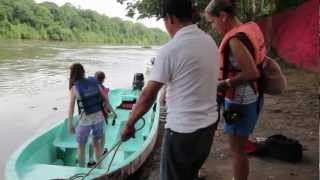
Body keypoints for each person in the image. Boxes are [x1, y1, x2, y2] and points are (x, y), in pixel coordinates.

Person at [121, 0, 219, 179]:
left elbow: (147, 96)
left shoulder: (171, 49)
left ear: (170, 18)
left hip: (183, 132)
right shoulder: (209, 41)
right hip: (208, 128)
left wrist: (129, 124)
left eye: (164, 21)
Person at [205, 0, 266, 180]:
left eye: (212, 21)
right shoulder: (251, 28)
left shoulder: (235, 40)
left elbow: (251, 72)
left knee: (238, 151)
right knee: (240, 148)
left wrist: (224, 84)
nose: (213, 27)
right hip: (254, 95)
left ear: (223, 16)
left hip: (240, 101)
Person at [68, 63, 110, 167]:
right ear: (83, 72)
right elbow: (105, 98)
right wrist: (107, 110)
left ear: (72, 74)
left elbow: (71, 109)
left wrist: (70, 124)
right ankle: (99, 168)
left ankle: (81, 170)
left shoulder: (74, 88)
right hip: (99, 119)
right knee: (96, 144)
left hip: (85, 121)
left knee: (81, 146)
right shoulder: (94, 82)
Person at [87, 71, 117, 167]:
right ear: (103, 80)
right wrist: (114, 112)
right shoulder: (102, 90)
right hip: (100, 117)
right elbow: (106, 104)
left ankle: (91, 160)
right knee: (102, 135)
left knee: (92, 138)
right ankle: (101, 153)